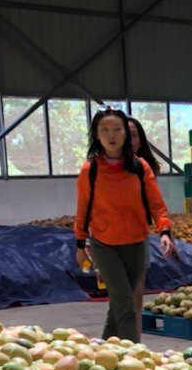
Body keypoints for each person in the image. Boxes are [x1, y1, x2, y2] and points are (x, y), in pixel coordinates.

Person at [74, 108, 176, 341]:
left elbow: (157, 205)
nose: (111, 135)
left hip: (136, 244)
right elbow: (83, 209)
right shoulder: (90, 170)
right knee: (125, 302)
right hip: (104, 245)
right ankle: (135, 354)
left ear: (125, 135)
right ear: (96, 135)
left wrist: (164, 231)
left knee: (120, 302)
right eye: (105, 130)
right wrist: (80, 244)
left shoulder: (140, 167)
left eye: (117, 129)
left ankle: (104, 350)